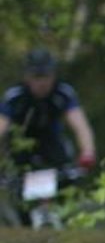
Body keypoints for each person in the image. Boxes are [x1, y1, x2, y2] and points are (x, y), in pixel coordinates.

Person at [0, 48, 97, 177]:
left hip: (53, 143)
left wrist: (87, 152)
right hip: (20, 146)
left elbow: (81, 126)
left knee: (69, 174)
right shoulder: (14, 97)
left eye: (46, 76)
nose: (42, 83)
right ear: (26, 77)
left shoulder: (63, 93)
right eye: (36, 77)